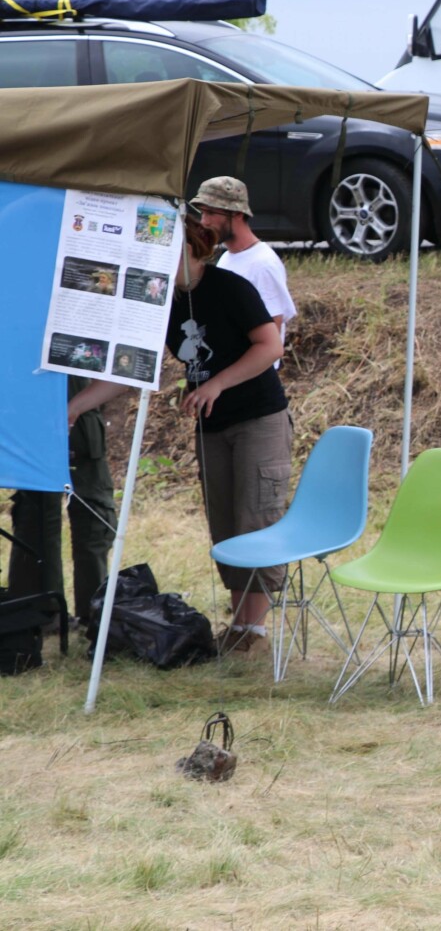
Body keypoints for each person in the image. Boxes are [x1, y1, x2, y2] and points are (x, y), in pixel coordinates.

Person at [68, 218, 291, 655]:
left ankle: (256, 632)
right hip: (213, 425)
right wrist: (77, 406)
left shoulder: (230, 287)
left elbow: (270, 346)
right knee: (226, 528)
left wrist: (216, 383)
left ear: (189, 249)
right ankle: (241, 627)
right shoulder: (160, 301)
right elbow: (133, 367)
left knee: (255, 519)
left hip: (259, 418)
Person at [7, 376, 116, 633]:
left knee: (94, 517)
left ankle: (94, 612)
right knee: (35, 518)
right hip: (30, 416)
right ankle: (36, 611)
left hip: (81, 421)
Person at [191, 176, 297, 370]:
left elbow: (272, 336)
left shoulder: (263, 264)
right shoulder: (226, 258)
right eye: (202, 213)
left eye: (211, 213)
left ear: (237, 214)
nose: (204, 222)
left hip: (252, 381)